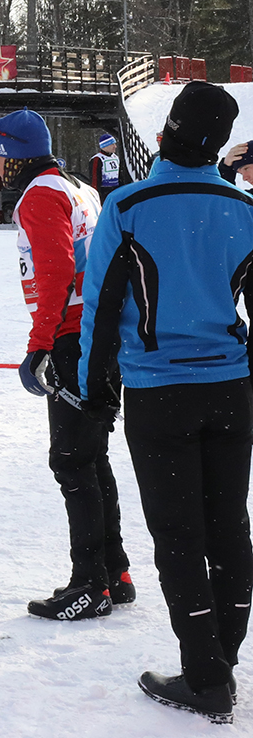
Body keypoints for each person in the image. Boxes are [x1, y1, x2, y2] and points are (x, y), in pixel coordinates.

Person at [80, 82, 253, 724]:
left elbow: (100, 309)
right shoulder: (245, 207)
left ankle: (207, 678)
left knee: (178, 533)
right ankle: (222, 659)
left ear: (164, 135)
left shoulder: (128, 205)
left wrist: (94, 391)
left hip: (159, 391)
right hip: (231, 387)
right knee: (230, 524)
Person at [0, 108, 133, 620]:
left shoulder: (40, 194)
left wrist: (40, 344)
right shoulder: (77, 186)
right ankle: (114, 571)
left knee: (72, 460)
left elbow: (55, 271)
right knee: (92, 457)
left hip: (74, 336)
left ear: (14, 154)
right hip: (97, 334)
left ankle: (90, 583)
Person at [89, 133, 126, 202]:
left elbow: (120, 175)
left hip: (116, 191)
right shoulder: (97, 159)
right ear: (106, 146)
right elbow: (95, 180)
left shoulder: (115, 157)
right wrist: (96, 196)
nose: (115, 146)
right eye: (112, 144)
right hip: (104, 193)